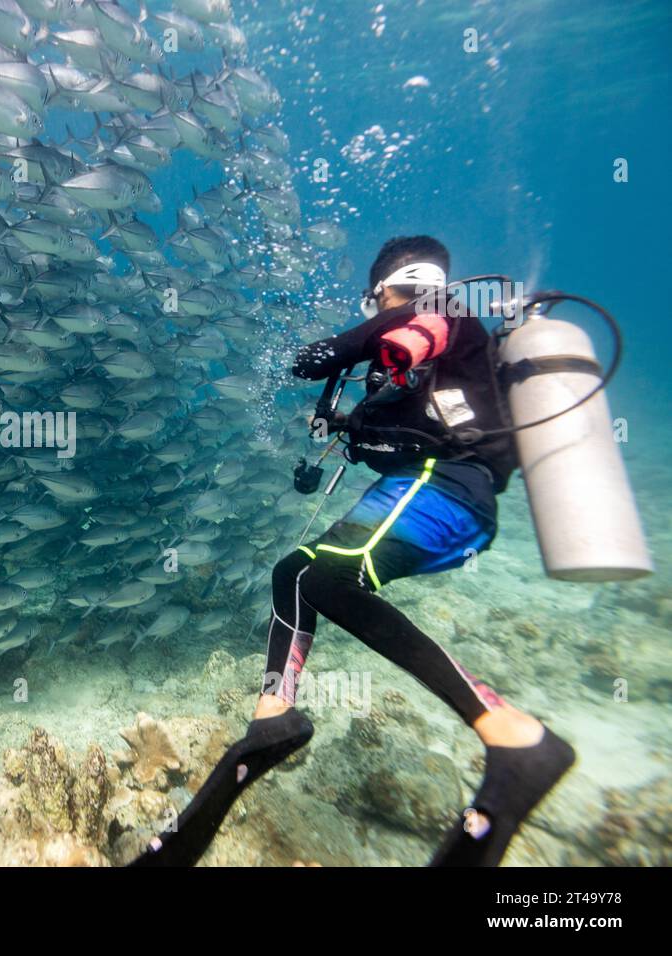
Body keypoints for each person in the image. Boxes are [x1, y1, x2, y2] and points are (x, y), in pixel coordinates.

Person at [133, 236, 575, 867]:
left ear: (391, 289)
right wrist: (348, 427)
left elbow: (383, 339)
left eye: (377, 300)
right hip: (424, 487)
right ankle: (274, 713)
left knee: (332, 583)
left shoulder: (437, 313)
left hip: (443, 488)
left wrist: (327, 352)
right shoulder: (436, 347)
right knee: (296, 572)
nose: (377, 312)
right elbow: (394, 431)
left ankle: (512, 735)